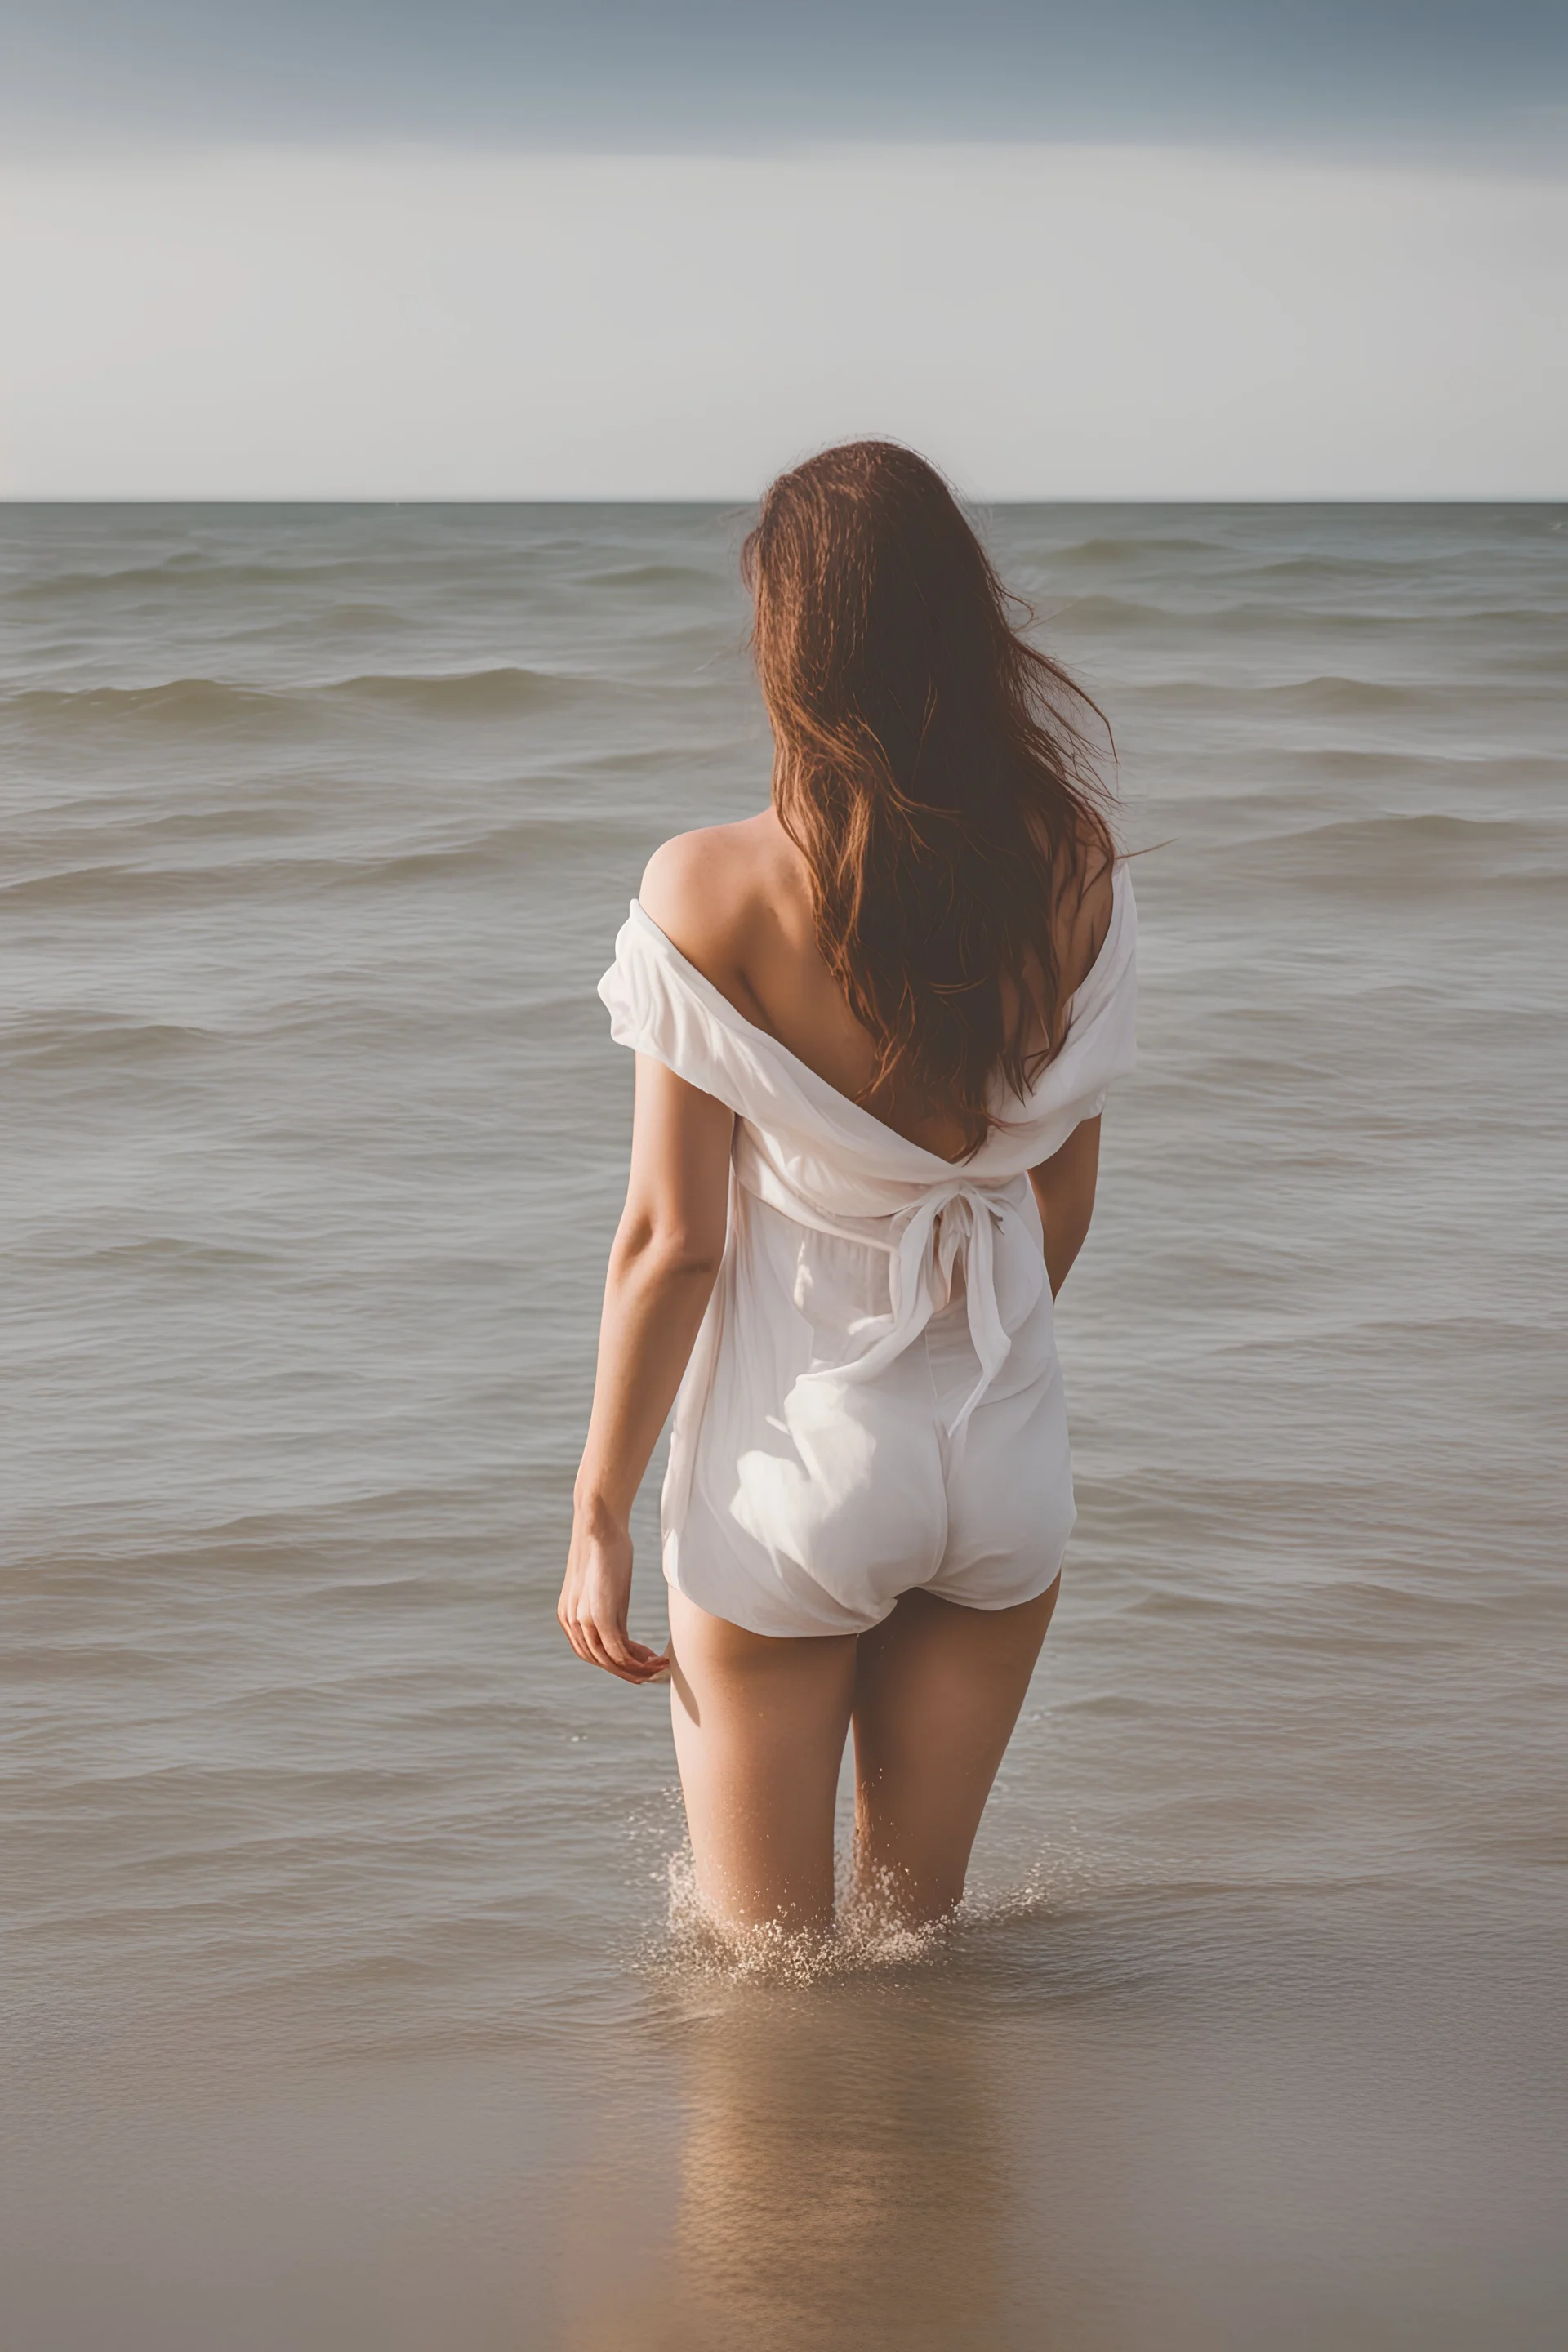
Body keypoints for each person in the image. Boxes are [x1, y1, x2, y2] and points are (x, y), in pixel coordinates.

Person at [558, 440, 1137, 1939]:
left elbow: (671, 1244)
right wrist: (970, 1361)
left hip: (798, 1473)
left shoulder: (712, 887)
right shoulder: (1074, 863)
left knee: (770, 1991)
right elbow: (1064, 1175)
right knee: (913, 1951)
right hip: (1001, 1459)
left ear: (793, 648)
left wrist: (599, 1504)